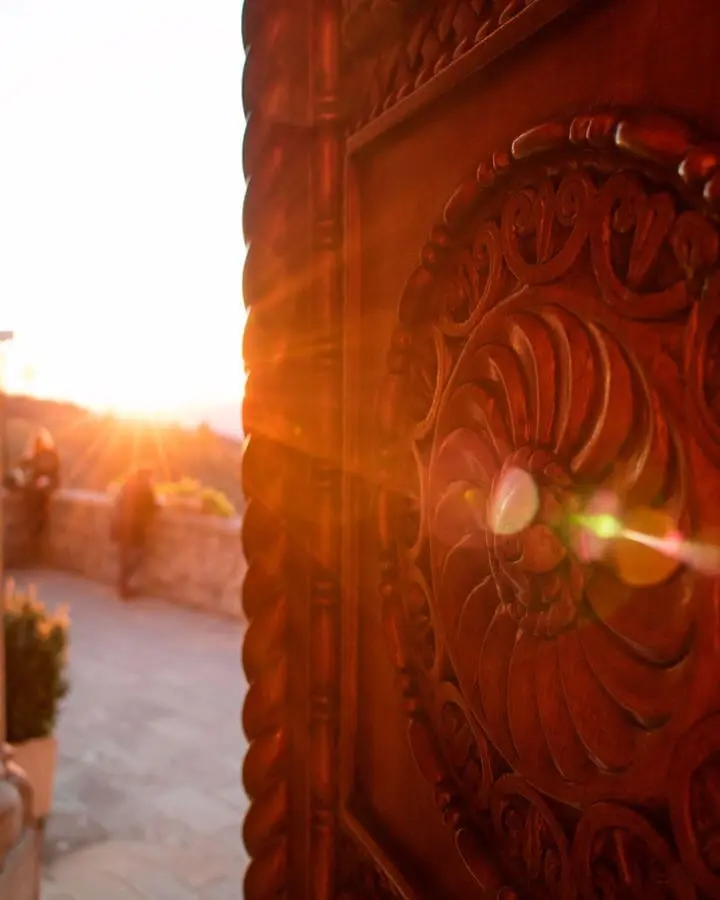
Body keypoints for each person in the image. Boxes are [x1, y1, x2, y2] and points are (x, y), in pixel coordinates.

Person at [5, 428, 61, 556]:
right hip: (31, 494)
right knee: (32, 522)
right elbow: (23, 471)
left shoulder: (50, 456)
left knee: (37, 522)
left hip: (41, 495)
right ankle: (32, 550)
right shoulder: (31, 456)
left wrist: (46, 481)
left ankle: (36, 550)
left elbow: (55, 476)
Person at [111, 466, 158, 600]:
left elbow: (118, 504)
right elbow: (152, 507)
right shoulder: (146, 489)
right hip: (135, 529)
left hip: (121, 527)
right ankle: (124, 587)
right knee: (138, 555)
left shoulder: (127, 487)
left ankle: (122, 586)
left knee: (124, 559)